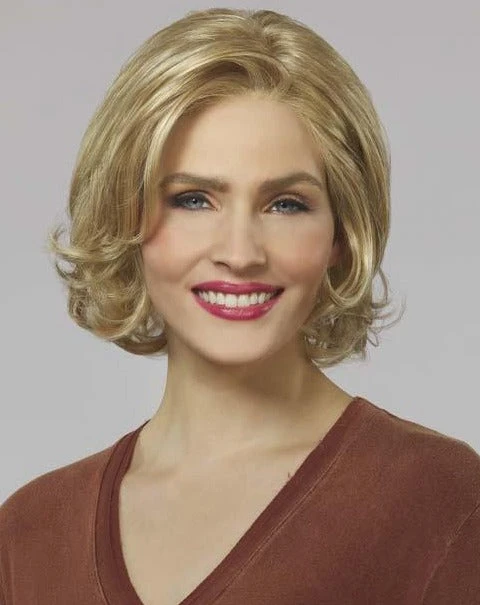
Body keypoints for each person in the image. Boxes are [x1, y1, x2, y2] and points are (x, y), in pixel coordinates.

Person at [1, 7, 479, 604]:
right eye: (193, 199)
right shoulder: (30, 534)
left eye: (285, 204)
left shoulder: (440, 503)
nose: (240, 253)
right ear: (125, 218)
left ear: (341, 235)